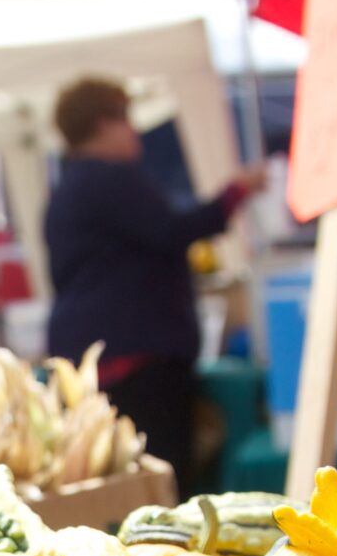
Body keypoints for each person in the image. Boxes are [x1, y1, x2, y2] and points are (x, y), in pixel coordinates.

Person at [42, 75, 262, 481]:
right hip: (136, 362)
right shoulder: (111, 178)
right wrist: (235, 194)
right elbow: (173, 229)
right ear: (103, 124)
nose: (133, 132)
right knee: (162, 476)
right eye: (126, 119)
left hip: (94, 358)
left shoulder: (66, 189)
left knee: (116, 478)